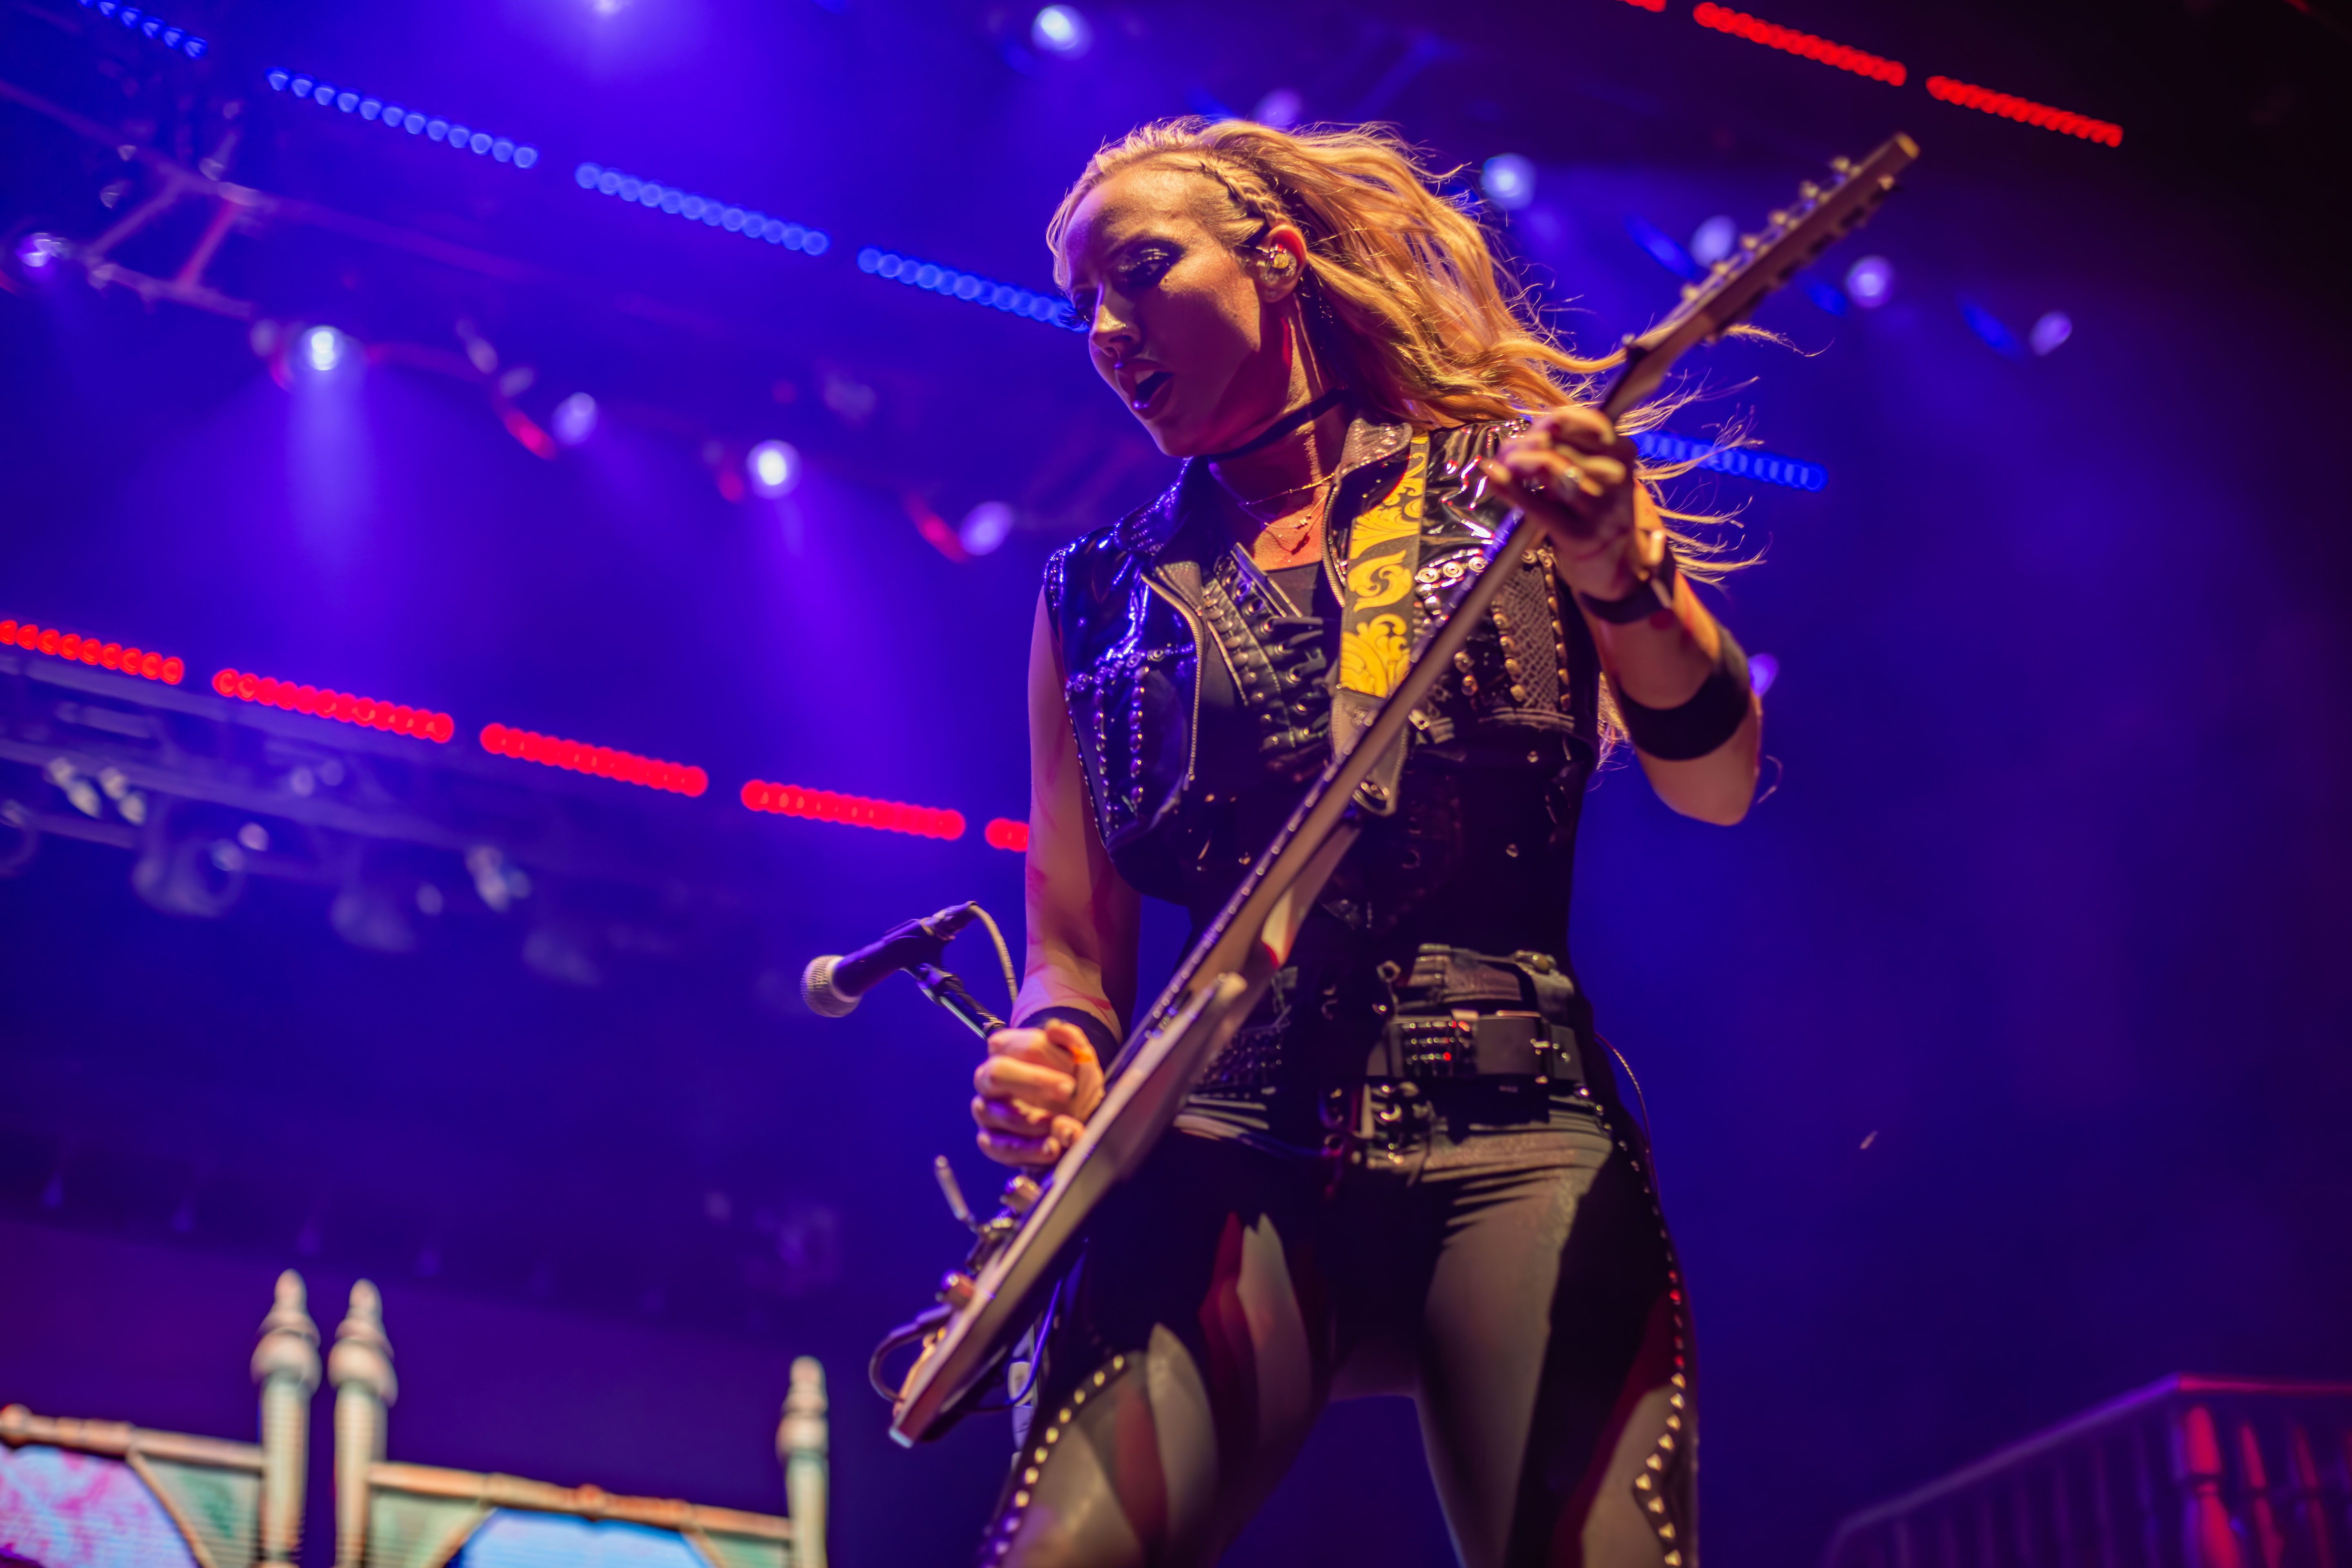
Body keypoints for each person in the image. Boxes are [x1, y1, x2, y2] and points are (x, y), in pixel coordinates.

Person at [967, 118, 1760, 1568]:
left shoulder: (1517, 484)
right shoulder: (1092, 594)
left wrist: (1619, 570)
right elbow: (1072, 954)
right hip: (1221, 1139)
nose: (1107, 330)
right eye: (1082, 304)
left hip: (1518, 1126)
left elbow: (1716, 782)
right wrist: (1054, 1050)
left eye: (1142, 271)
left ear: (1277, 259)